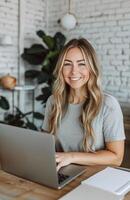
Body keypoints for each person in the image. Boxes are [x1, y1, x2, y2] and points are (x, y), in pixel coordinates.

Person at [42, 38, 125, 171]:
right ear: (61, 68)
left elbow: (116, 158)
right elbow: (45, 145)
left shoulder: (108, 105)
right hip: (60, 173)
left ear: (92, 68)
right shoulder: (53, 101)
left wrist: (71, 157)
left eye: (82, 64)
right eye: (67, 64)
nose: (74, 71)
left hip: (95, 177)